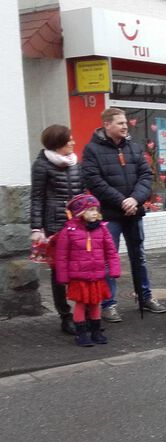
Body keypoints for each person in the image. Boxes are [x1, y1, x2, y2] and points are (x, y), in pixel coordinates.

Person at [82, 107, 166, 322]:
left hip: (134, 212)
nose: (124, 126)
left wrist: (135, 199)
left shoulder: (134, 147)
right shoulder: (92, 150)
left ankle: (145, 296)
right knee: (108, 260)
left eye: (124, 122)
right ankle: (109, 303)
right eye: (119, 123)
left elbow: (146, 176)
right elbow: (94, 181)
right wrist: (121, 201)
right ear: (107, 125)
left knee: (138, 256)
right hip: (110, 214)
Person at [30, 124, 85, 335]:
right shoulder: (42, 165)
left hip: (78, 224)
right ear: (57, 142)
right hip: (55, 225)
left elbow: (81, 194)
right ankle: (65, 316)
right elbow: (37, 198)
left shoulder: (74, 163)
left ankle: (83, 310)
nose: (73, 142)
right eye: (69, 139)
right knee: (59, 272)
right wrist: (37, 227)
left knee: (80, 269)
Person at [54, 194, 120, 347]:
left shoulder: (102, 229)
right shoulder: (69, 231)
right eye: (90, 210)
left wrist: (114, 269)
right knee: (81, 304)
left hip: (97, 275)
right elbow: (61, 256)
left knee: (96, 303)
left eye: (96, 209)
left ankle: (96, 331)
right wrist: (63, 277)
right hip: (79, 277)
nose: (94, 213)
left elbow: (111, 252)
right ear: (80, 212)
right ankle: (81, 334)